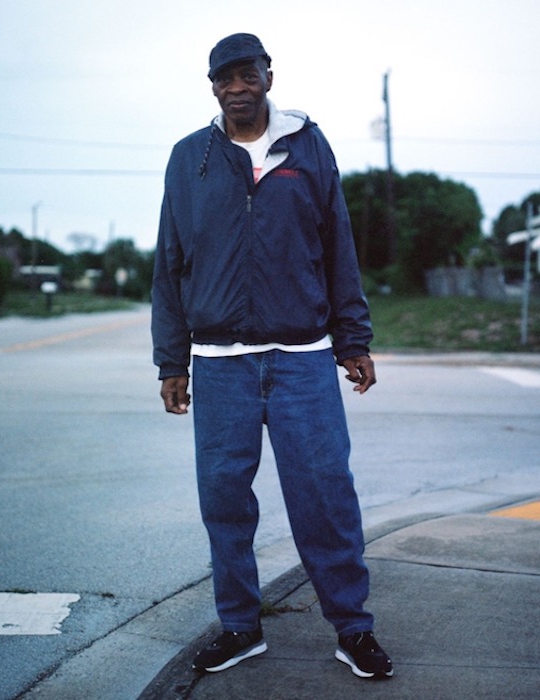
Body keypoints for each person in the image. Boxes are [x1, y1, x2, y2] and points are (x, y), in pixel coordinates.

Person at [151, 32, 393, 681]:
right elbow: (169, 263)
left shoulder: (306, 147)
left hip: (302, 356)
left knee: (324, 494)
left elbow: (337, 246)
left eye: (245, 73)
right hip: (220, 360)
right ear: (213, 86)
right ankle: (239, 626)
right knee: (224, 498)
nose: (235, 86)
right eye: (222, 78)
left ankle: (352, 628)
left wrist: (353, 339)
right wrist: (171, 361)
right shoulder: (188, 158)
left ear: (266, 74)